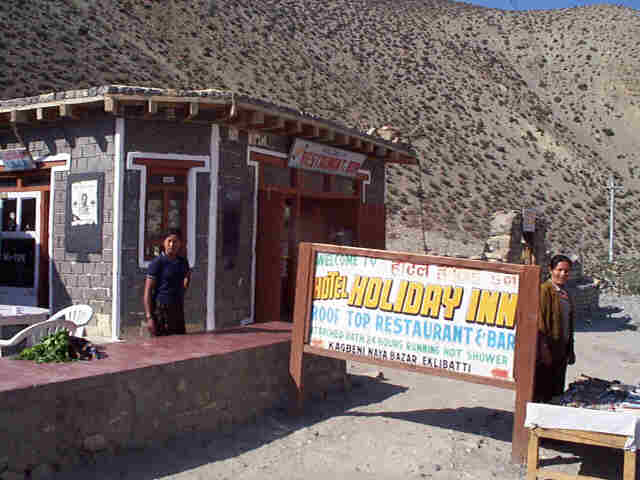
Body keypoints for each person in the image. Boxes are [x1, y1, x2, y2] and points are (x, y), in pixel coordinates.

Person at [533, 254, 576, 402]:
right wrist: (544, 350)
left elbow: (568, 324)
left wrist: (570, 350)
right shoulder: (544, 290)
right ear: (551, 270)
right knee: (543, 391)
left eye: (566, 271)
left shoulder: (565, 293)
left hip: (561, 351)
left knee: (556, 392)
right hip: (547, 352)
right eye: (559, 270)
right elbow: (540, 321)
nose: (563, 274)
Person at [143, 229, 191, 336]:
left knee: (180, 341)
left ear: (180, 244)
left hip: (177, 309)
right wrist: (149, 317)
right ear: (163, 243)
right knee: (161, 343)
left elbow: (187, 276)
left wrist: (182, 290)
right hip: (160, 310)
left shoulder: (182, 262)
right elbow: (147, 291)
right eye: (169, 241)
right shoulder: (157, 263)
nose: (172, 245)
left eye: (175, 241)